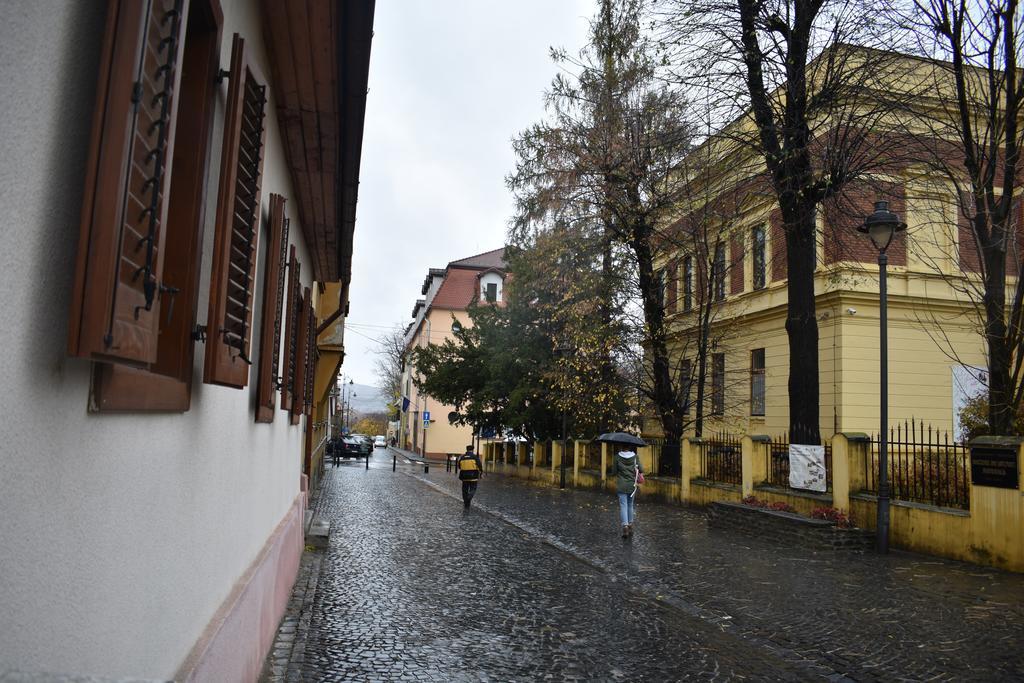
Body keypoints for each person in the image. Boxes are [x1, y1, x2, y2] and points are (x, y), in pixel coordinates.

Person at [613, 446, 642, 538]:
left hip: (621, 485)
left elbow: (614, 472)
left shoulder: (617, 457)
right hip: (632, 485)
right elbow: (641, 469)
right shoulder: (635, 457)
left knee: (623, 505)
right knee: (630, 505)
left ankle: (625, 526)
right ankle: (630, 525)